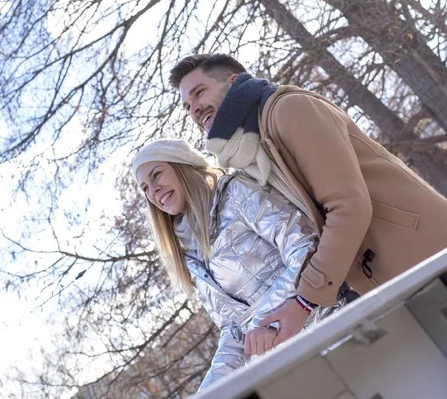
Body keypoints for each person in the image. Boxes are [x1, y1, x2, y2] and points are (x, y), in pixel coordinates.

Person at [169, 53, 447, 350]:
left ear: (233, 82)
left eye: (199, 92)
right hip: (389, 277)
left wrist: (303, 301)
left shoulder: (288, 110)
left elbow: (348, 207)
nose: (194, 109)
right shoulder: (254, 150)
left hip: (422, 253)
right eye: (187, 106)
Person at [132, 138, 342, 391]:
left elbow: (306, 246)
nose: (153, 190)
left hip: (337, 325)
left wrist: (263, 324)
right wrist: (209, 392)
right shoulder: (189, 252)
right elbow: (234, 331)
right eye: (145, 188)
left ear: (183, 167)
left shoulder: (235, 193)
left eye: (157, 175)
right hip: (297, 365)